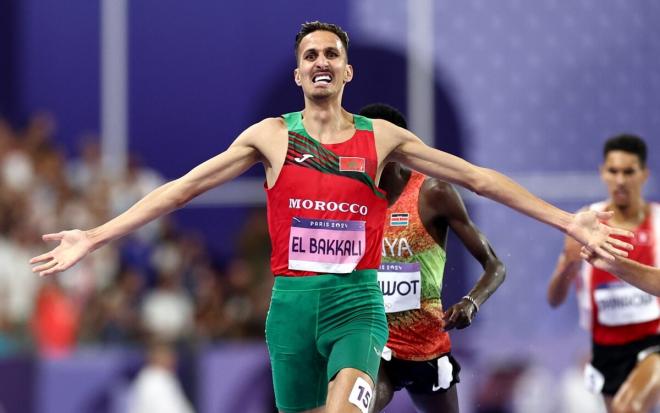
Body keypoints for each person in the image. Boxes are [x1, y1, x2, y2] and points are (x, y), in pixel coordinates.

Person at [31, 21, 632, 413]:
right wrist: (96, 234)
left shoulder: (382, 138)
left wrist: (568, 222)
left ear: (347, 72)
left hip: (356, 307)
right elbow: (182, 190)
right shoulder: (269, 138)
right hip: (290, 310)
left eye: (332, 55)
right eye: (311, 54)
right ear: (299, 73)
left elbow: (477, 178)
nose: (322, 61)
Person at [359, 103, 505, 413]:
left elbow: (495, 266)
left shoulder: (433, 193)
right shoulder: (354, 197)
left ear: (397, 144)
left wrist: (471, 302)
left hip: (425, 346)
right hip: (373, 340)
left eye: (373, 139)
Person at [547, 134, 660, 413]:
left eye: (629, 171)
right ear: (603, 173)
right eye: (613, 171)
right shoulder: (586, 222)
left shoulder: (659, 223)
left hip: (654, 342)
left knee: (628, 409)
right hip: (607, 349)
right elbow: (554, 300)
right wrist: (568, 265)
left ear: (644, 174)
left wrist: (616, 264)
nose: (620, 180)